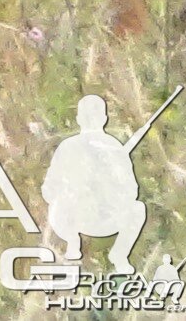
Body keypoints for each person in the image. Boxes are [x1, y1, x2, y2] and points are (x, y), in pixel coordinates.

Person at [48, 94, 146, 274]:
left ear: (78, 119)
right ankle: (109, 252)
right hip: (93, 219)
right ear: (104, 119)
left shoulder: (70, 147)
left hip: (85, 219)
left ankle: (81, 244)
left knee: (137, 208)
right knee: (137, 209)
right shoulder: (112, 147)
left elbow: (49, 190)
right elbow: (132, 190)